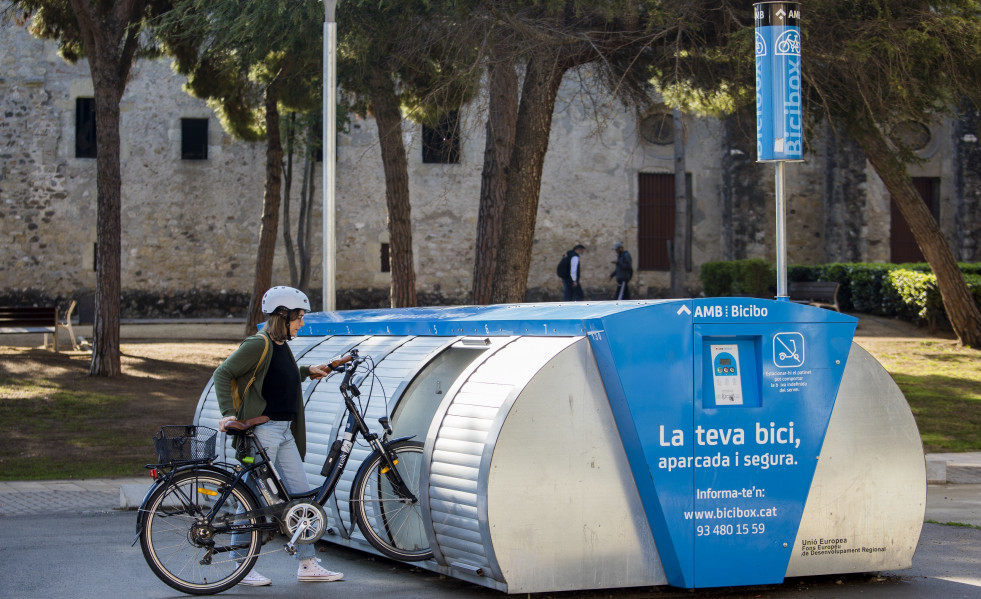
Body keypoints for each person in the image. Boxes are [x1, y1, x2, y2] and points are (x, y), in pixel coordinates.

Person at [213, 285, 343, 587]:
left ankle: (307, 563)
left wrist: (308, 370)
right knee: (253, 497)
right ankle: (240, 565)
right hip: (265, 430)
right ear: (282, 316)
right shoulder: (257, 344)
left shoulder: (279, 345)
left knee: (300, 497)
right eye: (298, 318)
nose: (302, 323)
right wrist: (228, 414)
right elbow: (224, 373)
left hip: (283, 431)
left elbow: (279, 377)